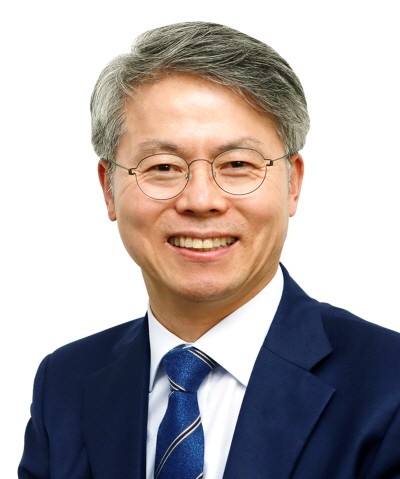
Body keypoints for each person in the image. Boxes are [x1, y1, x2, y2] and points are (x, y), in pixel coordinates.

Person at [19, 21, 400, 479]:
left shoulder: (388, 383)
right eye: (163, 166)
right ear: (109, 189)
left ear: (292, 183)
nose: (200, 200)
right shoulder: (65, 385)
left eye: (237, 164)